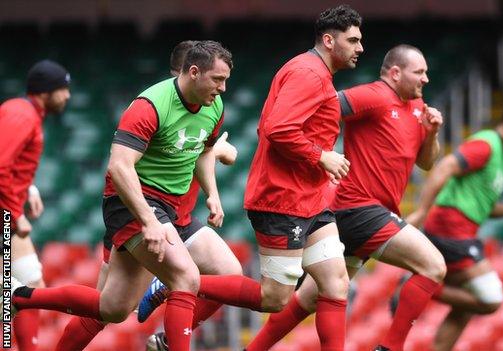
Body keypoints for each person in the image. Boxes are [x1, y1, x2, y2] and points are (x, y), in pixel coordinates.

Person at [152, 5, 361, 350]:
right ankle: (182, 282)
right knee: (274, 298)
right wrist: (321, 156)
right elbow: (277, 127)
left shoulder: (316, 73)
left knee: (336, 282)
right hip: (284, 200)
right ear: (328, 40)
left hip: (311, 198)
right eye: (352, 40)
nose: (359, 47)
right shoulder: (308, 73)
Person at [10, 40, 233, 351]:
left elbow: (204, 151)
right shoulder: (150, 105)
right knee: (186, 276)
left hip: (173, 210)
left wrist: (213, 194)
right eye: (218, 80)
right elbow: (119, 166)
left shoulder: (214, 107)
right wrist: (149, 221)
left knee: (114, 307)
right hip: (133, 204)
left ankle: (21, 297)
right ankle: (168, 340)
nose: (223, 89)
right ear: (193, 72)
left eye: (226, 80)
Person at [244, 44, 447, 351]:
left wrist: (431, 132)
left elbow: (427, 163)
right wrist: (319, 155)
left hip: (361, 214)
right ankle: (391, 347)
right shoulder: (374, 96)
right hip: (360, 208)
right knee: (434, 266)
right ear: (395, 73)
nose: (425, 79)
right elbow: (325, 108)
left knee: (312, 297)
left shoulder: (418, 108)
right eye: (419, 72)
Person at [403, 104, 503, 351]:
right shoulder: (486, 144)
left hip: (462, 230)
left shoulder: (501, 160)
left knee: (466, 306)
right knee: (491, 298)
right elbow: (445, 167)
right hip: (450, 228)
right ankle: (416, 285)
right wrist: (422, 210)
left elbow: (487, 207)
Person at [0, 59, 71, 351]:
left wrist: (28, 187)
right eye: (63, 89)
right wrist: (17, 216)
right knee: (12, 296)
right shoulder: (22, 116)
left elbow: (10, 160)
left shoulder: (25, 113)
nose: (67, 96)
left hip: (7, 212)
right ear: (46, 91)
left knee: (29, 284)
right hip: (5, 215)